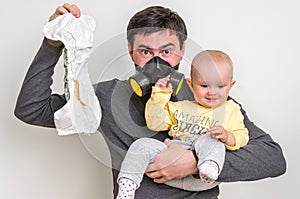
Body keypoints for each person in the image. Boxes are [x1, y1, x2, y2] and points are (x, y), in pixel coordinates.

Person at [14, 3, 286, 199]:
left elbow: (274, 158)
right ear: (132, 53)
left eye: (166, 51)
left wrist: (192, 161)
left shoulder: (209, 96)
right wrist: (52, 42)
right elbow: (31, 109)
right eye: (146, 51)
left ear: (181, 52)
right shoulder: (107, 98)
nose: (157, 61)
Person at [116, 50, 249, 198]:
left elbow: (242, 135)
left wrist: (227, 136)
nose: (212, 92)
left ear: (230, 85)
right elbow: (155, 123)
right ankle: (126, 188)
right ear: (191, 85)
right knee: (141, 145)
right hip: (169, 166)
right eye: (204, 86)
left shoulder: (231, 109)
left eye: (220, 86)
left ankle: (209, 166)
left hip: (201, 177)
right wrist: (160, 95)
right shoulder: (180, 106)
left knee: (211, 139)